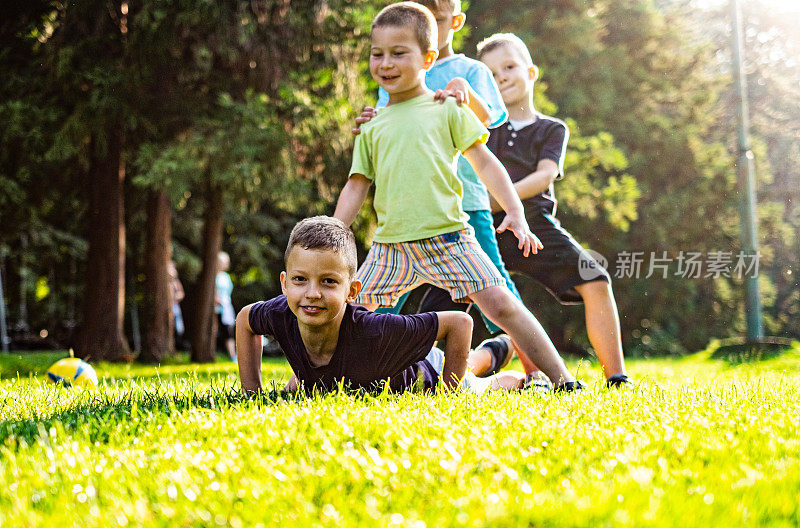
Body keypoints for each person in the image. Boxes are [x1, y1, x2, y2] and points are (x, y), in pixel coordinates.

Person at [333, 2, 583, 391]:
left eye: (399, 53)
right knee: (347, 314)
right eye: (376, 53)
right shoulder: (373, 126)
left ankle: (563, 379)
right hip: (390, 247)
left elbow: (486, 164)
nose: (385, 63)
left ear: (428, 58)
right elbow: (357, 184)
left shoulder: (446, 109)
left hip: (448, 238)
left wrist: (515, 211)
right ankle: (314, 379)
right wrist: (332, 232)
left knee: (501, 305)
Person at [476, 33, 631, 387]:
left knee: (596, 279)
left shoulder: (551, 129)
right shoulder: (481, 130)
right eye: (491, 74)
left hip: (535, 225)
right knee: (469, 300)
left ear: (531, 72)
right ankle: (518, 373)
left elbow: (545, 175)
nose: (502, 78)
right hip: (482, 226)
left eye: (510, 67)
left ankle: (617, 377)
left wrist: (504, 199)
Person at [236, 216, 527, 394]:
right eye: (300, 279)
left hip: (429, 371)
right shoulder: (280, 313)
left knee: (480, 385)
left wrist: (448, 396)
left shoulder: (374, 330)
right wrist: (253, 394)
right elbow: (245, 320)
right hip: (388, 361)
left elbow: (460, 323)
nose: (312, 293)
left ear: (352, 291)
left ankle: (505, 359)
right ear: (284, 283)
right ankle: (496, 349)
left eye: (328, 282)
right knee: (471, 361)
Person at [215, 251, 237, 361]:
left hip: (226, 308)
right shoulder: (214, 276)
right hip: (216, 308)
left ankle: (233, 355)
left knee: (229, 332)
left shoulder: (226, 277)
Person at [168, 260, 186, 348]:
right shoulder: (165, 283)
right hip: (168, 308)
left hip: (175, 307)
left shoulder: (176, 282)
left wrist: (175, 297)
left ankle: (175, 347)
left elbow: (181, 293)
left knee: (178, 329)